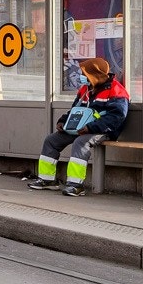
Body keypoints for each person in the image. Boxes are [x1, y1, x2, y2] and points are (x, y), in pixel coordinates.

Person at [27, 56, 130, 196]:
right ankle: (47, 180)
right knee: (51, 140)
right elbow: (75, 109)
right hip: (81, 126)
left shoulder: (116, 90)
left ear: (95, 75)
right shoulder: (85, 89)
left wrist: (91, 128)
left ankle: (76, 185)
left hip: (103, 129)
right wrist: (63, 122)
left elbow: (117, 117)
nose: (82, 77)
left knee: (80, 142)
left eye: (85, 74)